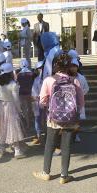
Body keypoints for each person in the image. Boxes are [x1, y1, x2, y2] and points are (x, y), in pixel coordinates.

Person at [33, 54, 84, 184]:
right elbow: (80, 102)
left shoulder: (48, 80)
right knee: (66, 145)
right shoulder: (75, 81)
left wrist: (50, 106)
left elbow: (42, 101)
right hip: (70, 118)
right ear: (68, 66)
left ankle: (46, 172)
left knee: (49, 144)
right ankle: (64, 175)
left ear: (55, 65)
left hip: (53, 117)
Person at [0, 63, 27, 158]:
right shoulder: (13, 84)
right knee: (13, 128)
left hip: (0, 106)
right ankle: (17, 151)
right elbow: (16, 99)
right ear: (11, 72)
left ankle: (2, 149)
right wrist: (19, 110)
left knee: (1, 127)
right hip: (10, 107)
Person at [70, 58, 89, 143]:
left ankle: (76, 134)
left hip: (78, 102)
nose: (73, 68)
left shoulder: (81, 77)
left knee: (77, 120)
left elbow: (86, 88)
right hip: (69, 102)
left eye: (75, 66)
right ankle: (69, 135)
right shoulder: (66, 77)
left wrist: (80, 95)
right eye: (71, 66)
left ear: (78, 67)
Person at [16, 59, 35, 131]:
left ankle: (27, 124)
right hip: (30, 93)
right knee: (30, 108)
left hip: (21, 93)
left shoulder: (19, 74)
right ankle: (30, 121)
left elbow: (17, 83)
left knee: (24, 109)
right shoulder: (32, 73)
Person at [31, 61, 45, 145]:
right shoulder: (36, 80)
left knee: (46, 119)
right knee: (38, 119)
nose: (41, 69)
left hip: (46, 102)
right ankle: (39, 136)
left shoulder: (48, 78)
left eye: (42, 67)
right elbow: (34, 93)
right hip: (38, 101)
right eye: (40, 68)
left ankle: (46, 136)